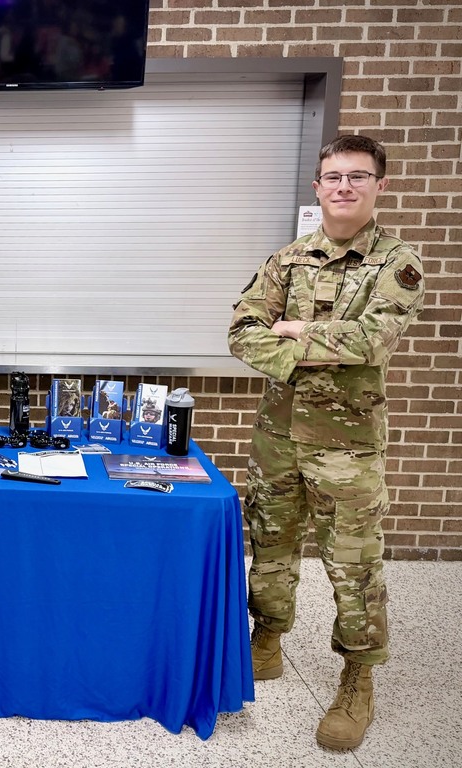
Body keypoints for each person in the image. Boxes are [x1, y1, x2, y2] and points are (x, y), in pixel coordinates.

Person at [228, 135, 424, 750]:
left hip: (348, 448)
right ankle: (267, 640)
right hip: (278, 439)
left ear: (379, 186)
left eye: (357, 177)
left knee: (354, 567)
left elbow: (373, 341)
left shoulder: (397, 264)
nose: (344, 187)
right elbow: (241, 332)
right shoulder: (286, 260)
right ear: (318, 188)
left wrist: (296, 330)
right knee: (271, 548)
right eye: (333, 177)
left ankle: (357, 680)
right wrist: (312, 349)